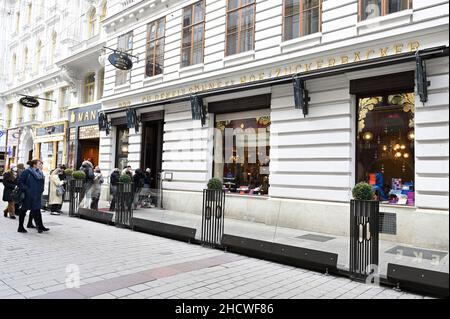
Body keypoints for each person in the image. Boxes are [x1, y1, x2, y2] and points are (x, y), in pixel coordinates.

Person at [17, 160, 49, 233]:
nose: (41, 165)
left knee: (37, 210)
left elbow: (41, 183)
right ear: (34, 165)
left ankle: (40, 226)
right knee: (23, 210)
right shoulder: (27, 172)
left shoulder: (40, 172)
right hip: (28, 195)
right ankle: (20, 227)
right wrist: (27, 190)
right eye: (40, 164)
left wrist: (41, 190)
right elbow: (20, 182)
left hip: (37, 195)